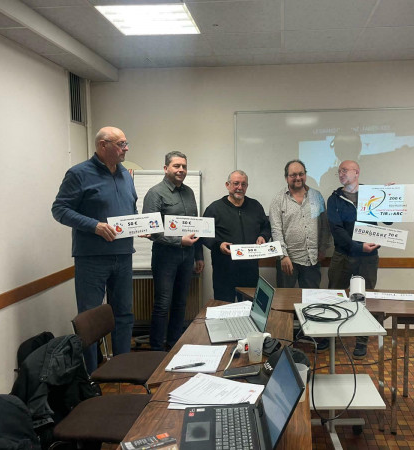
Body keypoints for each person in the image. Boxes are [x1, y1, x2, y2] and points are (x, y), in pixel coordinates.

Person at [52, 126, 135, 373]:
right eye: (121, 144)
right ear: (103, 145)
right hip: (92, 258)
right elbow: (59, 209)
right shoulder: (79, 173)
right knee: (89, 319)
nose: (126, 148)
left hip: (123, 255)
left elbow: (130, 209)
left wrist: (140, 225)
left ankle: (123, 369)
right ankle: (91, 376)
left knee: (124, 315)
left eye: (126, 143)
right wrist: (94, 226)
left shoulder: (125, 174)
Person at [142, 151, 204, 351]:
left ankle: (174, 344)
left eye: (184, 166)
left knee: (180, 302)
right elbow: (151, 231)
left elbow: (195, 226)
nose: (181, 170)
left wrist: (199, 256)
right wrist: (179, 241)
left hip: (187, 256)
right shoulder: (155, 193)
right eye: (176, 166)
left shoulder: (189, 192)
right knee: (162, 304)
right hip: (165, 257)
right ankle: (157, 349)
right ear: (166, 168)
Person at [327, 159, 384, 359]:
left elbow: (387, 220)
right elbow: (336, 229)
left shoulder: (373, 194)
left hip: (368, 258)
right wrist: (357, 246)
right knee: (334, 295)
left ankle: (362, 340)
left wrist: (390, 197)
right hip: (343, 255)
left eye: (345, 170)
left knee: (364, 298)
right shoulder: (334, 199)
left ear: (357, 172)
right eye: (339, 171)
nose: (341, 174)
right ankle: (329, 335)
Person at [202, 170, 271, 302]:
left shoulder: (255, 206)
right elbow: (203, 234)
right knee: (223, 306)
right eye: (236, 183)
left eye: (243, 184)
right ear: (227, 185)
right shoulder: (215, 208)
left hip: (250, 271)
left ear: (247, 186)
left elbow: (266, 227)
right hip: (224, 270)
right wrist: (218, 244)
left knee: (249, 307)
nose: (240, 187)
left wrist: (263, 236)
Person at [269, 160, 331, 289]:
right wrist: (283, 256)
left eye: (301, 174)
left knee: (311, 299)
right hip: (287, 261)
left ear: (305, 175)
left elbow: (324, 226)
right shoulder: (278, 200)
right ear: (286, 177)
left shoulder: (316, 196)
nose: (298, 178)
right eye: (293, 175)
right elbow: (276, 230)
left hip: (312, 259)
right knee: (284, 299)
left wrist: (323, 248)